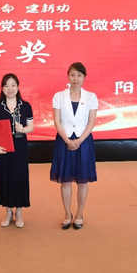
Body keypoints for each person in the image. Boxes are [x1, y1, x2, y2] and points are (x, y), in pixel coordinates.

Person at [50, 62, 98, 230]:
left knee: (82, 182)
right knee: (65, 181)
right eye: (72, 75)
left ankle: (79, 214)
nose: (75, 78)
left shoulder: (91, 97)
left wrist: (79, 141)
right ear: (68, 76)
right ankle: (67, 214)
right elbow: (57, 121)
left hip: (83, 143)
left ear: (84, 77)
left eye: (79, 75)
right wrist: (68, 141)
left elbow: (91, 122)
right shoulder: (59, 96)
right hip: (64, 141)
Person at [0, 73, 34, 228]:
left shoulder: (25, 106)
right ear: (2, 88)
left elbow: (31, 127)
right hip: (3, 149)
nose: (10, 89)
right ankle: (8, 212)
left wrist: (23, 129)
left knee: (19, 177)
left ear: (18, 87)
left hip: (20, 149)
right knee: (5, 178)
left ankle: (19, 212)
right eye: (6, 86)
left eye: (13, 85)